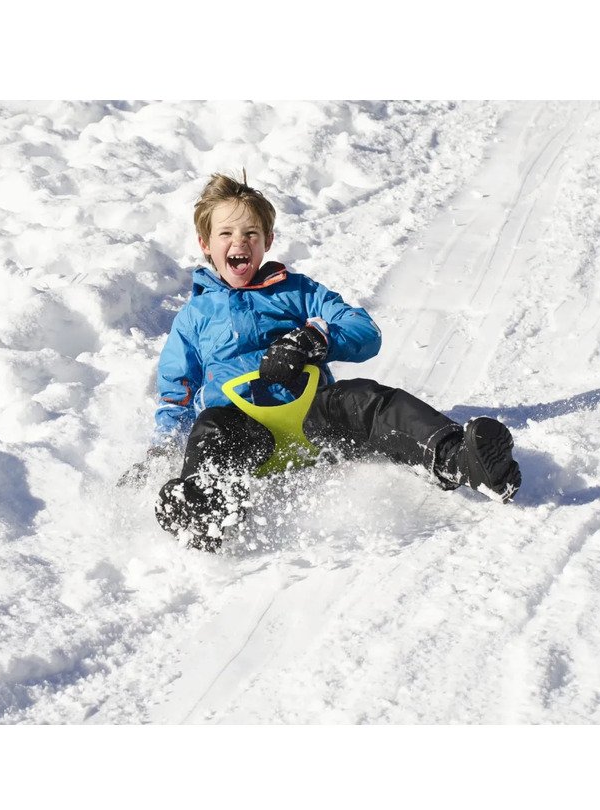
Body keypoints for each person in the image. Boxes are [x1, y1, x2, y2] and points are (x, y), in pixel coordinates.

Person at [137, 172, 521, 551]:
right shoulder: (194, 317)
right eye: (226, 234)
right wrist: (161, 451)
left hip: (312, 413)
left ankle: (461, 460)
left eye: (251, 233)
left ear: (267, 241)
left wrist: (312, 340)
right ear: (206, 244)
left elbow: (363, 330)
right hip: (244, 428)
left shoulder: (298, 291)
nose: (240, 242)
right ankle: (204, 510)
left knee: (368, 400)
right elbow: (177, 392)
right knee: (212, 427)